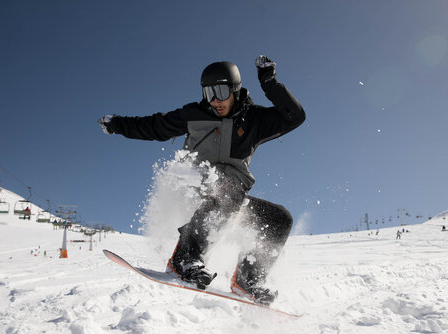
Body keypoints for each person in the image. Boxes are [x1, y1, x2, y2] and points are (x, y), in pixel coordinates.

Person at [98, 56, 305, 305]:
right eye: (208, 93)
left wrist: (269, 82)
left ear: (236, 90)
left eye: (220, 91)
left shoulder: (255, 120)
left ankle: (248, 279)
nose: (214, 100)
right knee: (226, 190)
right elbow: (154, 126)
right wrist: (117, 125)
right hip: (193, 186)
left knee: (280, 218)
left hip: (230, 197)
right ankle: (185, 258)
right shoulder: (194, 114)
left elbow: (295, 116)